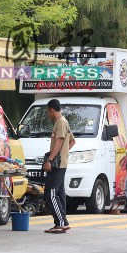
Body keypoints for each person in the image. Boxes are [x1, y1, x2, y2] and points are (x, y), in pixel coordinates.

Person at [43, 99, 76, 233]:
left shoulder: (61, 122)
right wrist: (63, 154)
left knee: (50, 193)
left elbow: (60, 141)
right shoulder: (63, 122)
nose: (48, 114)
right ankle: (62, 222)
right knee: (60, 194)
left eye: (47, 111)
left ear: (51, 109)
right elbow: (72, 141)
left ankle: (60, 223)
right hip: (61, 163)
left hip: (57, 165)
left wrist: (51, 159)